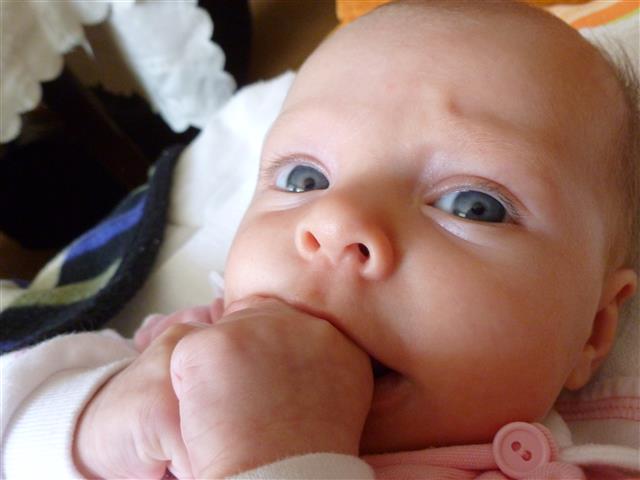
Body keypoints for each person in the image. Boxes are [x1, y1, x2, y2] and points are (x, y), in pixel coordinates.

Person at [2, 0, 639, 478]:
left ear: (592, 330)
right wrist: (92, 426)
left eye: (473, 205)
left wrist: (274, 456)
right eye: (305, 179)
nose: (336, 222)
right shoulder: (189, 354)